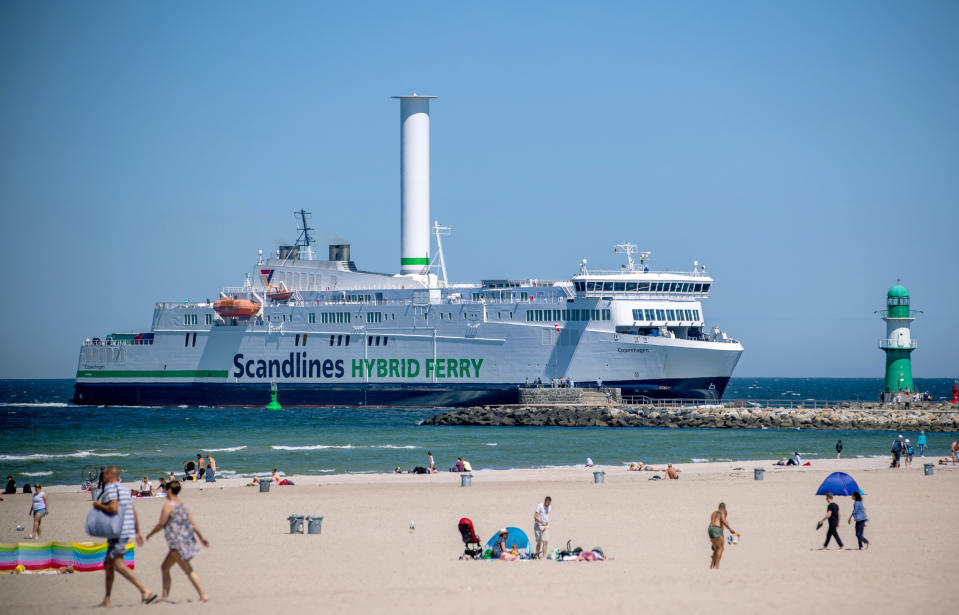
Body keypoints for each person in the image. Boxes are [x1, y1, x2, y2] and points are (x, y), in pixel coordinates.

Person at [93, 466, 156, 606]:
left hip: (118, 531)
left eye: (104, 476)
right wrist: (137, 531)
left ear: (110, 477)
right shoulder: (124, 489)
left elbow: (113, 508)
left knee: (118, 564)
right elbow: (132, 511)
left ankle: (145, 590)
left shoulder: (111, 490)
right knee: (108, 564)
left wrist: (99, 506)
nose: (102, 478)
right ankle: (107, 599)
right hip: (125, 530)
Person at [145, 480, 210, 603]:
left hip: (177, 542)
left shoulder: (169, 505)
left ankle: (203, 595)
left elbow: (161, 524)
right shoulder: (182, 504)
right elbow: (193, 524)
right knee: (165, 567)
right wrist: (201, 538)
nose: (163, 491)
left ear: (170, 490)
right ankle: (164, 597)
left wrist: (150, 534)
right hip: (185, 541)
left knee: (187, 569)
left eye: (165, 489)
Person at [708, 503, 736, 569]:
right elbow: (723, 520)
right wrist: (730, 529)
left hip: (710, 529)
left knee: (716, 549)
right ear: (724, 508)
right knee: (721, 548)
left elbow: (715, 522)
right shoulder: (722, 511)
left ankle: (714, 562)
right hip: (717, 529)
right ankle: (716, 566)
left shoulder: (714, 512)